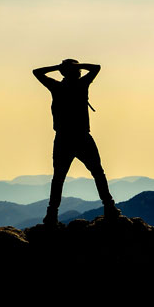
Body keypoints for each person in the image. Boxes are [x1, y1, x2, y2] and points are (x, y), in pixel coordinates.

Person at [33, 58, 121, 224]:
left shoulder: (56, 86)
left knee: (58, 177)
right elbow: (96, 67)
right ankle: (109, 207)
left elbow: (37, 72)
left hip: (63, 138)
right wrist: (74, 66)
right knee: (97, 172)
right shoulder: (81, 84)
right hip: (81, 137)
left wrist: (59, 67)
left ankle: (52, 214)